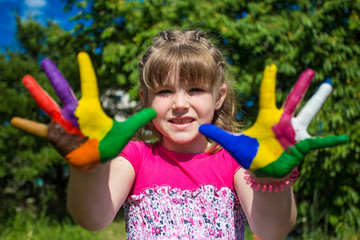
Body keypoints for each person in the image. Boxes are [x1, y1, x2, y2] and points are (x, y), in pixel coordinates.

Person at [11, 29, 348, 240]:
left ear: (218, 97)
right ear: (144, 99)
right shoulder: (135, 157)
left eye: (196, 89)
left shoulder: (237, 158)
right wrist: (87, 168)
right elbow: (93, 219)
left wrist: (273, 180)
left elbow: (272, 231)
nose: (180, 104)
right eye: (164, 92)